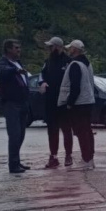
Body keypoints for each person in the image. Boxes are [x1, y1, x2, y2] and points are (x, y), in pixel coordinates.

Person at [59, 40, 96, 171]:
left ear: (74, 49)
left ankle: (86, 159)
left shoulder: (75, 64)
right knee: (87, 131)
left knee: (81, 132)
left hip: (79, 103)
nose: (69, 50)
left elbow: (75, 86)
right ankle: (90, 158)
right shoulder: (86, 63)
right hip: (88, 101)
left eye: (70, 48)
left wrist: (69, 103)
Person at [0, 39, 31, 174]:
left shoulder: (18, 62)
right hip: (12, 103)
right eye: (16, 48)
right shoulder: (3, 63)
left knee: (21, 134)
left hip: (23, 102)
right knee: (14, 134)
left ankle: (16, 160)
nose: (19, 50)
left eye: (19, 48)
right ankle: (13, 164)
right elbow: (3, 72)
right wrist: (16, 70)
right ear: (8, 49)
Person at [39, 37, 73, 169]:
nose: (49, 49)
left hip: (64, 102)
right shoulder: (47, 61)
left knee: (66, 129)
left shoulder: (68, 62)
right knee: (52, 130)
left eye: (51, 46)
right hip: (50, 101)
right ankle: (53, 156)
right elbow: (41, 75)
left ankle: (68, 155)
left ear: (58, 47)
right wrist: (42, 82)